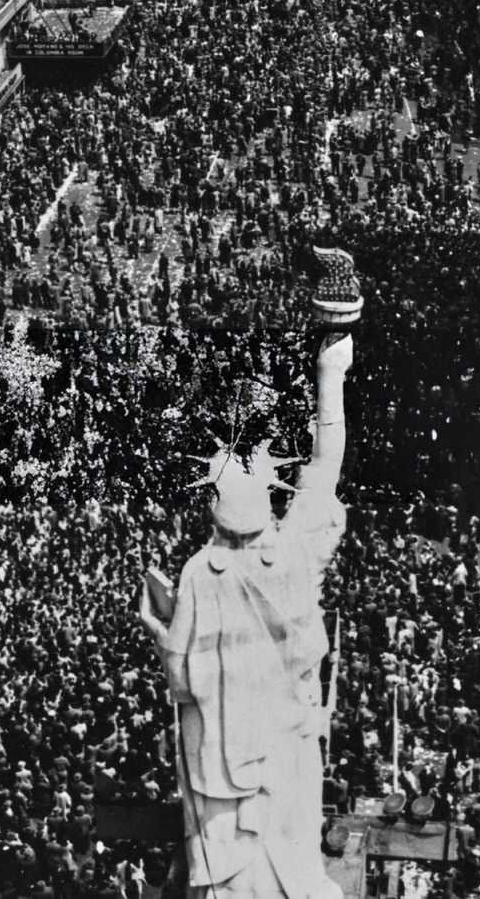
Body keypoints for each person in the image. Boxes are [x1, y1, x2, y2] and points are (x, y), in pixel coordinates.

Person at [138, 332, 352, 899]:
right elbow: (326, 469)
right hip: (287, 749)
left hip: (219, 772)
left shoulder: (195, 574)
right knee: (295, 867)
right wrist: (331, 374)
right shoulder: (295, 555)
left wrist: (159, 628)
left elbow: (182, 679)